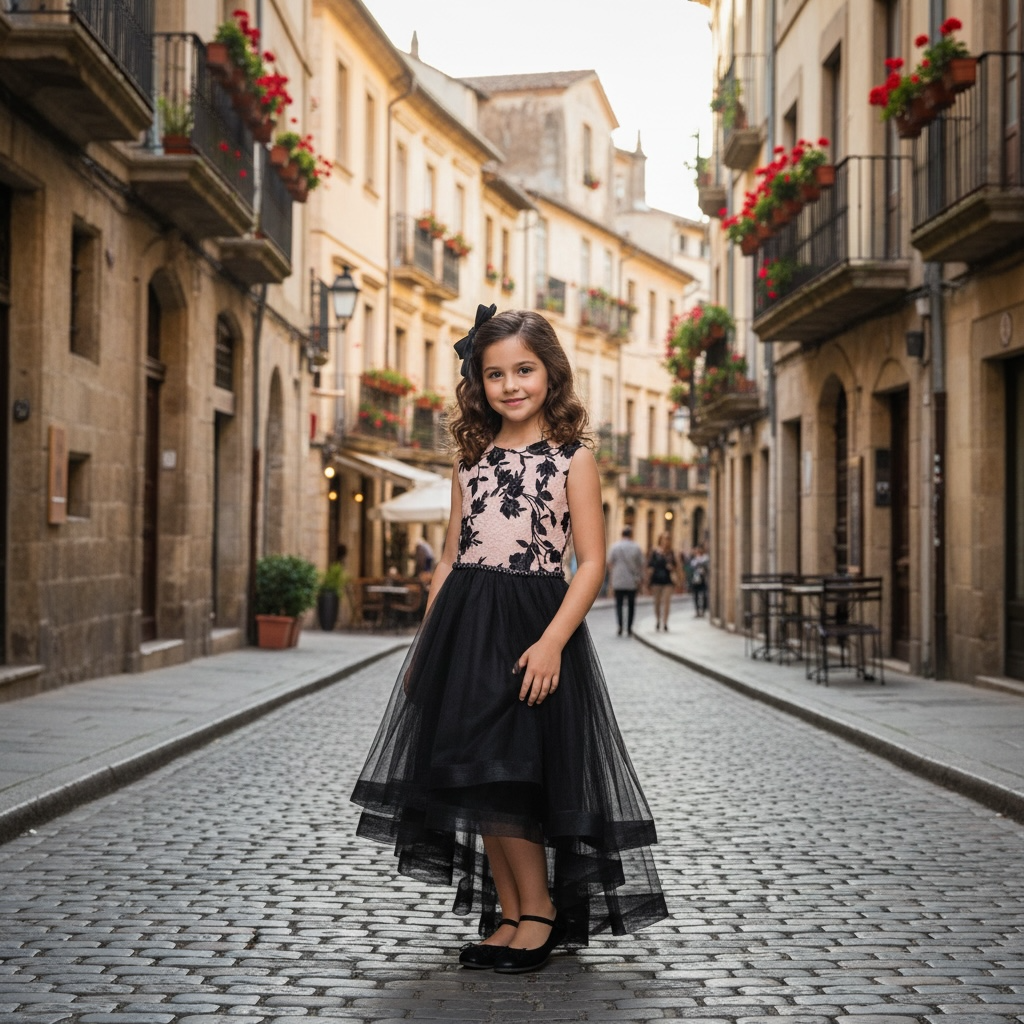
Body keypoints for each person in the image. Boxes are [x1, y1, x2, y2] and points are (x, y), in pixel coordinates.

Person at [351, 306, 667, 975]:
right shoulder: (471, 461)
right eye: (495, 373)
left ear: (551, 372)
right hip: (464, 628)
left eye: (524, 369)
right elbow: (446, 557)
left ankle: (540, 912)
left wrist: (553, 642)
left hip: (532, 627)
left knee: (515, 778)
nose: (511, 384)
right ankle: (513, 911)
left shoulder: (572, 460)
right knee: (474, 775)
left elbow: (589, 562)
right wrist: (426, 645)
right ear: (479, 383)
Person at [606, 525, 644, 636]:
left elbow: (609, 563)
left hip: (618, 580)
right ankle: (629, 628)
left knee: (619, 604)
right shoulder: (636, 547)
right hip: (632, 580)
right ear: (631, 535)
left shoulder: (615, 547)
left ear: (622, 534)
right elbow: (641, 564)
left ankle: (620, 626)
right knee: (631, 605)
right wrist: (641, 578)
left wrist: (613, 575)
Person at [647, 532, 678, 631]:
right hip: (656, 580)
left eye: (668, 539)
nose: (666, 541)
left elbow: (676, 566)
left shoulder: (671, 553)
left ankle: (665, 623)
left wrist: (671, 567)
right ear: (660, 540)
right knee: (657, 603)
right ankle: (657, 620)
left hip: (668, 581)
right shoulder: (655, 552)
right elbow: (650, 566)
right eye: (664, 539)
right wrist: (648, 579)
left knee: (666, 603)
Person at [690, 543, 710, 617]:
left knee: (704, 595)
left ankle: (703, 610)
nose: (698, 551)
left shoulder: (705, 558)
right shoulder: (694, 559)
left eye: (699, 549)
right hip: (695, 580)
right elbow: (692, 568)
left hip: (703, 580)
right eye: (697, 549)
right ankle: (697, 611)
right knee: (695, 596)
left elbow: (707, 568)